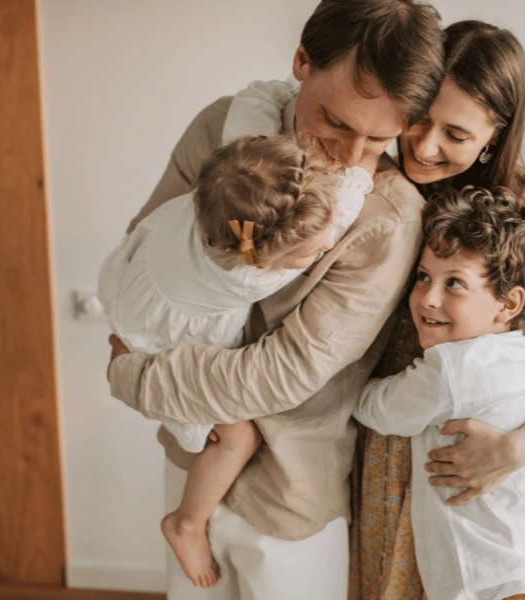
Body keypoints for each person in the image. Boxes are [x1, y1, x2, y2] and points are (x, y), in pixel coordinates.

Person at [105, 1, 445, 599]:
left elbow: (286, 372)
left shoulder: (388, 218)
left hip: (291, 496)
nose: (349, 155)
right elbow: (147, 243)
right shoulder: (219, 128)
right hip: (191, 465)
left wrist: (137, 377)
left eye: (379, 139)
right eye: (335, 124)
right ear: (301, 62)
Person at [349, 20, 525, 600]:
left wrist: (512, 452)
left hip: (477, 483)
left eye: (454, 132)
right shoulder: (372, 188)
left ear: (495, 137)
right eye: (418, 119)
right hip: (380, 466)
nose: (424, 146)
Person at [98, 132, 373, 588]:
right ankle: (186, 523)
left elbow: (253, 118)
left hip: (134, 292)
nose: (324, 249)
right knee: (237, 437)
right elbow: (341, 214)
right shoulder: (247, 275)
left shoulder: (206, 203)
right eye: (311, 253)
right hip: (158, 335)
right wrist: (359, 172)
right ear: (262, 256)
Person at [355, 186, 525, 600]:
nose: (428, 298)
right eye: (423, 276)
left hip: (490, 578)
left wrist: (356, 373)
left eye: (455, 283)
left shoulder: (452, 369)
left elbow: (376, 409)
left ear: (507, 304)